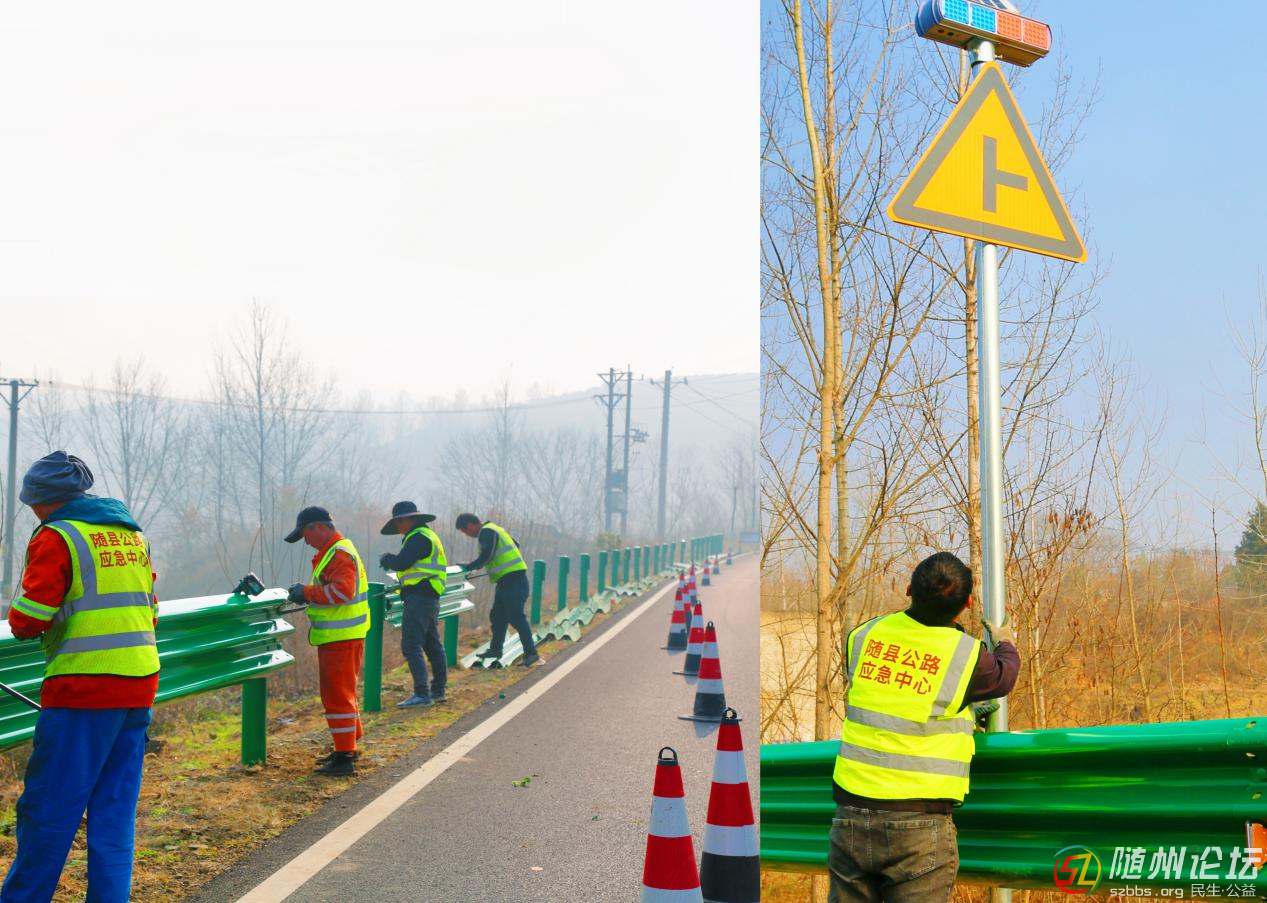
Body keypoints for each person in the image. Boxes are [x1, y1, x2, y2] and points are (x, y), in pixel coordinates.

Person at [1, 451, 159, 903]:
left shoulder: (57, 537)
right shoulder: (132, 535)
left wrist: (19, 615)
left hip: (82, 692)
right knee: (114, 812)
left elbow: (28, 620)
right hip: (139, 686)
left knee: (49, 811)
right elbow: (151, 606)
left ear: (40, 500)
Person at [828, 552, 1020, 903]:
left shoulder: (864, 635)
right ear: (967, 603)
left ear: (907, 589)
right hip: (919, 824)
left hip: (850, 815)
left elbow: (895, 693)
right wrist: (1005, 642)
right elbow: (1004, 676)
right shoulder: (966, 655)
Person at [284, 506, 369, 776]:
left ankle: (345, 757)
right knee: (344, 693)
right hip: (343, 636)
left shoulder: (339, 553)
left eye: (305, 535)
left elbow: (342, 592)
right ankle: (348, 747)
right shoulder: (339, 550)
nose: (306, 542)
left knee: (337, 696)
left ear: (318, 527)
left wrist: (306, 592)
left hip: (340, 638)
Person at [377, 501, 447, 708]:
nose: (398, 529)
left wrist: (387, 558)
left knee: (411, 645)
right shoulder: (426, 536)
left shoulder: (418, 538)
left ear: (405, 520)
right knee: (432, 644)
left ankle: (422, 694)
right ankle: (438, 691)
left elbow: (402, 563)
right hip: (428, 595)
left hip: (420, 596)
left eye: (398, 524)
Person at [455, 513, 540, 667]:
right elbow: (515, 545)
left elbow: (487, 555)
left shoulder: (487, 531)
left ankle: (531, 653)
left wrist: (470, 567)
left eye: (465, 531)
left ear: (470, 525)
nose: (467, 535)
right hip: (506, 581)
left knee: (516, 617)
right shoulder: (496, 529)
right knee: (498, 617)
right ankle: (495, 650)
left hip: (513, 581)